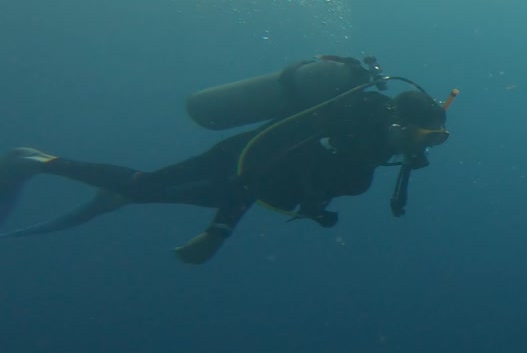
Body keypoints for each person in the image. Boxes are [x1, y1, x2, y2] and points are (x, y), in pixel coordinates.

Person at [0, 55, 454, 264]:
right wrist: (220, 231)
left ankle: (117, 196)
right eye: (428, 137)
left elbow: (309, 178)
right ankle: (34, 160)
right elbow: (258, 171)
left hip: (245, 181)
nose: (428, 148)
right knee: (141, 184)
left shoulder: (370, 144)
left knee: (146, 190)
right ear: (401, 123)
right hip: (236, 166)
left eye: (438, 140)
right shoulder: (346, 125)